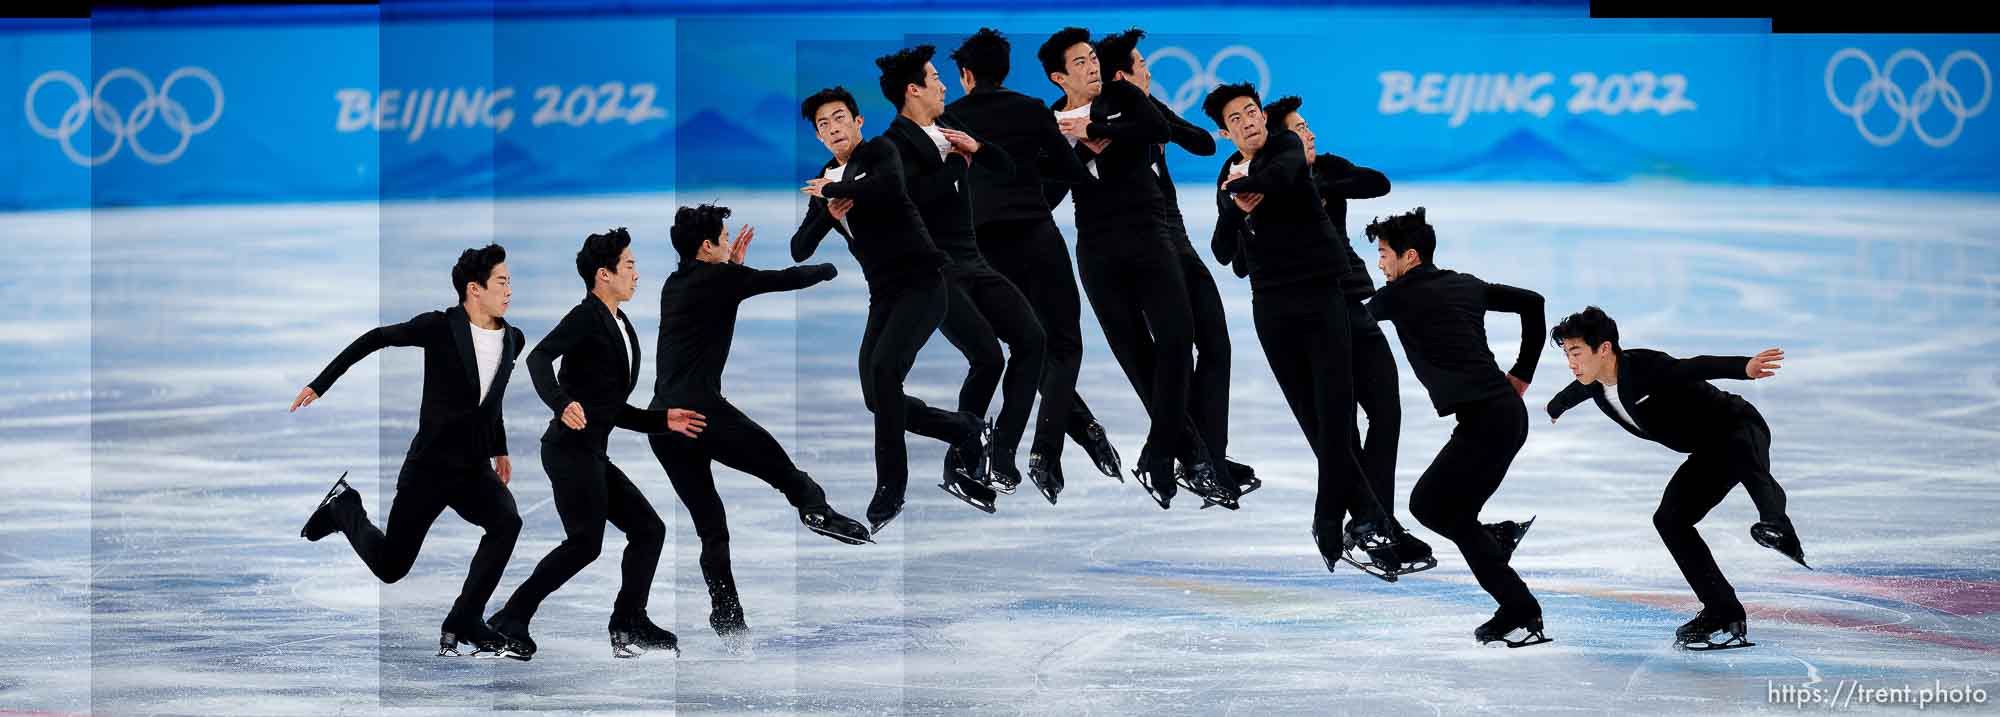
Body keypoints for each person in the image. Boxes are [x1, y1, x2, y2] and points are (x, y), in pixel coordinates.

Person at [649, 203, 874, 653]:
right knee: (785, 472)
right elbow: (783, 279)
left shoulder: (674, 284)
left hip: (663, 424)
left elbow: (718, 293)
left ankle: (727, 614)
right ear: (708, 245)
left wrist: (733, 267)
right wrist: (829, 268)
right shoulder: (724, 280)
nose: (730, 243)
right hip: (704, 414)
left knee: (711, 527)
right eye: (724, 237)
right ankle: (816, 511)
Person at [293, 244, 530, 659]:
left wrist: (501, 448)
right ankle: (344, 507)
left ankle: (466, 618)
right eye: (502, 282)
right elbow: (375, 339)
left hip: (472, 469)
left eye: (510, 281)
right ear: (475, 289)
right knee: (390, 567)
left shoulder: (514, 338)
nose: (510, 289)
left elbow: (492, 400)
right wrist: (321, 383)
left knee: (507, 523)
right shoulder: (439, 327)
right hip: (430, 469)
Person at [487, 229, 706, 660]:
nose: (636, 274)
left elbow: (610, 408)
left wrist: (663, 420)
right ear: (603, 275)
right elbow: (537, 357)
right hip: (568, 450)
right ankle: (511, 618)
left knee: (648, 529)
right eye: (628, 266)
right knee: (585, 543)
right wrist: (561, 401)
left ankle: (629, 621)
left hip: (590, 451)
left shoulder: (618, 323)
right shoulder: (587, 316)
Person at [1547, 305, 1806, 651]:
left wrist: (1742, 367)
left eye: (1576, 352)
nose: (1571, 363)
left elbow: (1693, 366)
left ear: (1604, 348)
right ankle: (1722, 611)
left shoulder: (1645, 366)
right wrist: (1556, 406)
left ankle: (1776, 524)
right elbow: (1575, 390)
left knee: (1749, 462)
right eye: (1567, 354)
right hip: (1707, 450)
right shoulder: (1594, 384)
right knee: (1670, 519)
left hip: (1736, 423)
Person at [794, 86, 992, 533]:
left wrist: (838, 190)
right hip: (883, 294)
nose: (833, 128)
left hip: (924, 283)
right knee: (875, 396)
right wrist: (828, 208)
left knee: (885, 374)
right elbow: (799, 248)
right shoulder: (825, 180)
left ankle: (891, 487)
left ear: (858, 122)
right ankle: (964, 429)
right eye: (823, 125)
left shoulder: (880, 152)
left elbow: (886, 187)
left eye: (839, 118)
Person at [1364, 207, 1550, 647]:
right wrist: (1523, 371)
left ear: (1410, 257)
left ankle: (1520, 606)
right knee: (1443, 510)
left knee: (1431, 504)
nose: (1380, 264)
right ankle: (1498, 545)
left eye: (1385, 254)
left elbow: (1352, 320)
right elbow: (1533, 302)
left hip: (1490, 421)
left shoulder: (1399, 296)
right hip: (1500, 416)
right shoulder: (1465, 284)